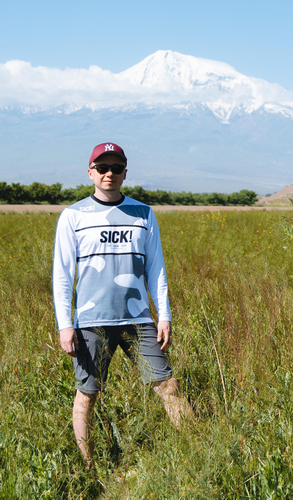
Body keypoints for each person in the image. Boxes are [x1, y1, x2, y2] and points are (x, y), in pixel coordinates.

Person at [53, 142, 192, 465]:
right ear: (90, 173)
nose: (109, 174)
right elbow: (62, 274)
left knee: (167, 386)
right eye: (102, 168)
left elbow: (156, 268)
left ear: (125, 174)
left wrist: (164, 316)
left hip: (138, 320)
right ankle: (87, 465)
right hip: (91, 322)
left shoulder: (143, 214)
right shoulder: (73, 216)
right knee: (87, 394)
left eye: (116, 168)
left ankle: (193, 453)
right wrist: (65, 324)